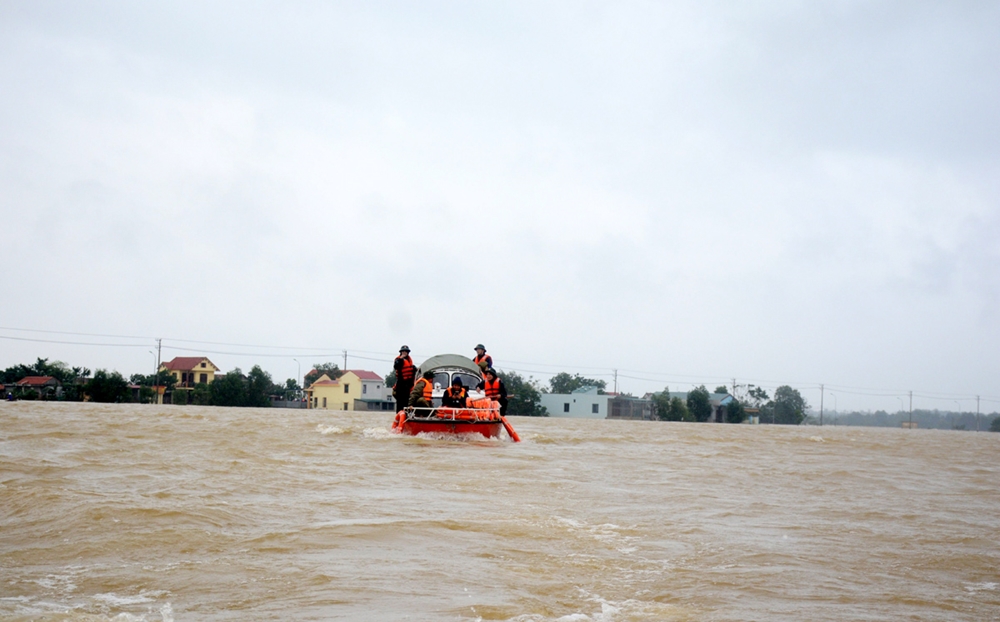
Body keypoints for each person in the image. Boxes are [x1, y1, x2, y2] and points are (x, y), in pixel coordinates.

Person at [392, 345, 415, 413]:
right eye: (403, 351)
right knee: (400, 401)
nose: (404, 353)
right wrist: (401, 359)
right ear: (401, 352)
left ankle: (406, 414)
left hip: (408, 384)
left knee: (407, 401)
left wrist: (415, 369)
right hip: (401, 383)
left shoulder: (409, 360)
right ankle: (399, 414)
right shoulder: (398, 360)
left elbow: (412, 370)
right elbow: (396, 366)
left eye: (406, 351)